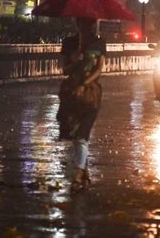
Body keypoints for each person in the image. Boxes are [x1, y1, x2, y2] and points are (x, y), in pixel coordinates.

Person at [57, 17, 106, 192]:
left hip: (91, 95)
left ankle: (78, 173)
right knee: (75, 134)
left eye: (91, 23)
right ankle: (84, 170)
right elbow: (64, 69)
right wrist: (74, 60)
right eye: (85, 23)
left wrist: (84, 85)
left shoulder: (99, 43)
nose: (90, 27)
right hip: (71, 94)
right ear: (78, 24)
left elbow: (100, 69)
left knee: (82, 133)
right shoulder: (69, 43)